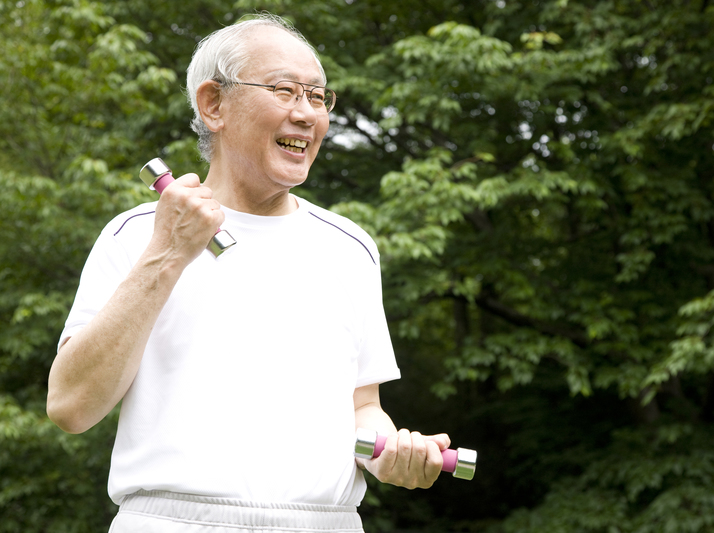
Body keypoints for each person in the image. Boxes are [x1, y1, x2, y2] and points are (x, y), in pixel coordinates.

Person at [47, 13, 450, 533]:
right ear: (213, 104)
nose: (307, 115)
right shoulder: (137, 235)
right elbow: (71, 406)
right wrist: (168, 253)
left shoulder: (351, 248)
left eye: (317, 97)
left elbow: (362, 408)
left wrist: (391, 452)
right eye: (285, 91)